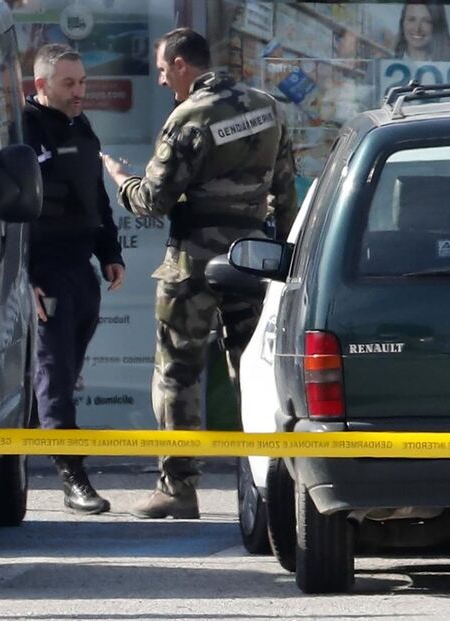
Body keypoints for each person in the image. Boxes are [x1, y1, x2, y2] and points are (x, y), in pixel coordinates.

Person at [103, 29, 297, 520]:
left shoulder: (189, 116)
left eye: (165, 70)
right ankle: (276, 482)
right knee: (255, 372)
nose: (164, 79)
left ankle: (178, 487)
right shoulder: (269, 108)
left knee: (177, 371)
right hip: (254, 260)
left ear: (184, 64)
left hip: (193, 262)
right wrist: (284, 254)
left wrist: (120, 179)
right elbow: (286, 190)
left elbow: (154, 200)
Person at [24, 43, 125, 515]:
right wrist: (28, 278)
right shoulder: (24, 130)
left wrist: (110, 252)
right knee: (55, 376)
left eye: (82, 81)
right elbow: (15, 212)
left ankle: (16, 462)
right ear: (41, 85)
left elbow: (96, 197)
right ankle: (72, 477)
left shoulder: (81, 126)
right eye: (69, 83)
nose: (80, 91)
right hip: (46, 276)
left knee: (62, 373)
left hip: (81, 272)